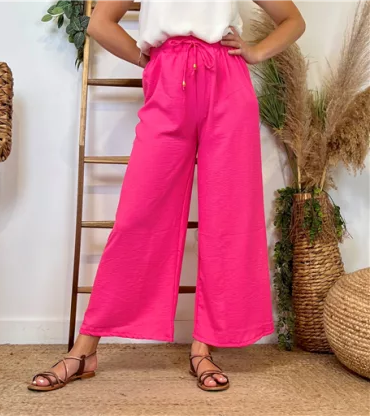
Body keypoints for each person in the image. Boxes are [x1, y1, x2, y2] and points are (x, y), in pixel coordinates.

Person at [29, 0, 305, 393]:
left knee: (228, 215)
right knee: (137, 216)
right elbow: (100, 23)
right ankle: (85, 348)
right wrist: (148, 61)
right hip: (168, 79)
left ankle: (202, 348)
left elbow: (293, 20)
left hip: (228, 82)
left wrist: (256, 52)